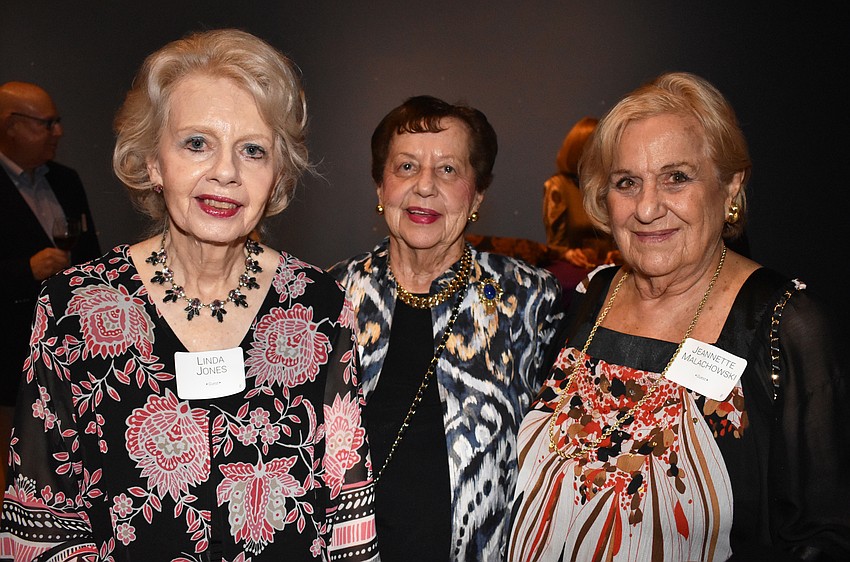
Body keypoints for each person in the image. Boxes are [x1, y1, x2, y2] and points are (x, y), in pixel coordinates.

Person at [0, 29, 378, 561]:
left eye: (252, 150)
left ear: (276, 177)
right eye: (197, 143)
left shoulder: (320, 306)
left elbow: (346, 517)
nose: (225, 172)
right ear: (154, 163)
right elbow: (44, 523)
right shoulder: (73, 309)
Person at [507, 72, 849, 561]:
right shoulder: (588, 296)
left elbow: (822, 537)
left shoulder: (783, 323)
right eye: (627, 182)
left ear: (730, 186)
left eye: (676, 178)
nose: (647, 208)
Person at [329, 95, 564, 561]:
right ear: (380, 187)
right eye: (406, 167)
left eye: (449, 170)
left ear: (477, 194)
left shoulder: (531, 301)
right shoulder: (331, 296)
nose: (425, 188)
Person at [0, 81, 101, 500]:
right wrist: (26, 271)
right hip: (9, 352)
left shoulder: (66, 180)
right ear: (10, 127)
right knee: (17, 466)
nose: (58, 132)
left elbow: (91, 252)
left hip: (67, 348)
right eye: (47, 123)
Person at [540, 116, 618, 306]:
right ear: (580, 150)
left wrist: (617, 253)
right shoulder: (558, 186)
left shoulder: (611, 185)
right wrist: (568, 254)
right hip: (573, 270)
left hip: (609, 268)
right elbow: (554, 246)